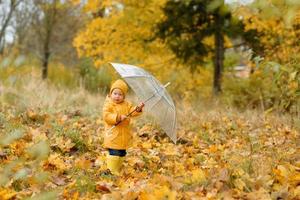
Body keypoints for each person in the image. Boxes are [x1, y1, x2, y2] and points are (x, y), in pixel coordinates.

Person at [102, 79, 144, 175]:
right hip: (113, 134)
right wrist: (118, 117)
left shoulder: (127, 105)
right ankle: (111, 171)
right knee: (114, 153)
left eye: (120, 94)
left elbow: (132, 112)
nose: (117, 96)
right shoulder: (108, 104)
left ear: (124, 96)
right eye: (115, 93)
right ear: (111, 93)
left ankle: (116, 169)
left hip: (124, 135)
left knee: (121, 154)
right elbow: (106, 116)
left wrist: (138, 108)